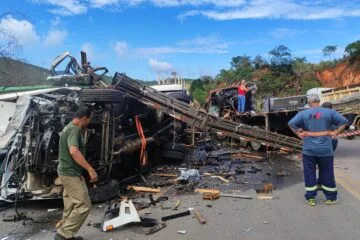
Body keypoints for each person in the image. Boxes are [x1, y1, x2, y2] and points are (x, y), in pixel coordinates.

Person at [288, 94, 348, 206]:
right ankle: (331, 198)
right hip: (325, 150)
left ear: (309, 102)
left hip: (309, 150)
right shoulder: (330, 112)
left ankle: (311, 198)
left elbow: (291, 123)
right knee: (327, 173)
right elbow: (344, 122)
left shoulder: (303, 114)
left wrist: (298, 134)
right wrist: (336, 132)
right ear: (319, 101)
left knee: (309, 173)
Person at [55, 107, 98, 240]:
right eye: (89, 120)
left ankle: (66, 234)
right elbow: (73, 151)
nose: (89, 123)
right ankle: (63, 235)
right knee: (83, 205)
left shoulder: (68, 127)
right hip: (70, 173)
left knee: (71, 204)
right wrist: (90, 169)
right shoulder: (74, 130)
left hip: (65, 171)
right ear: (84, 118)